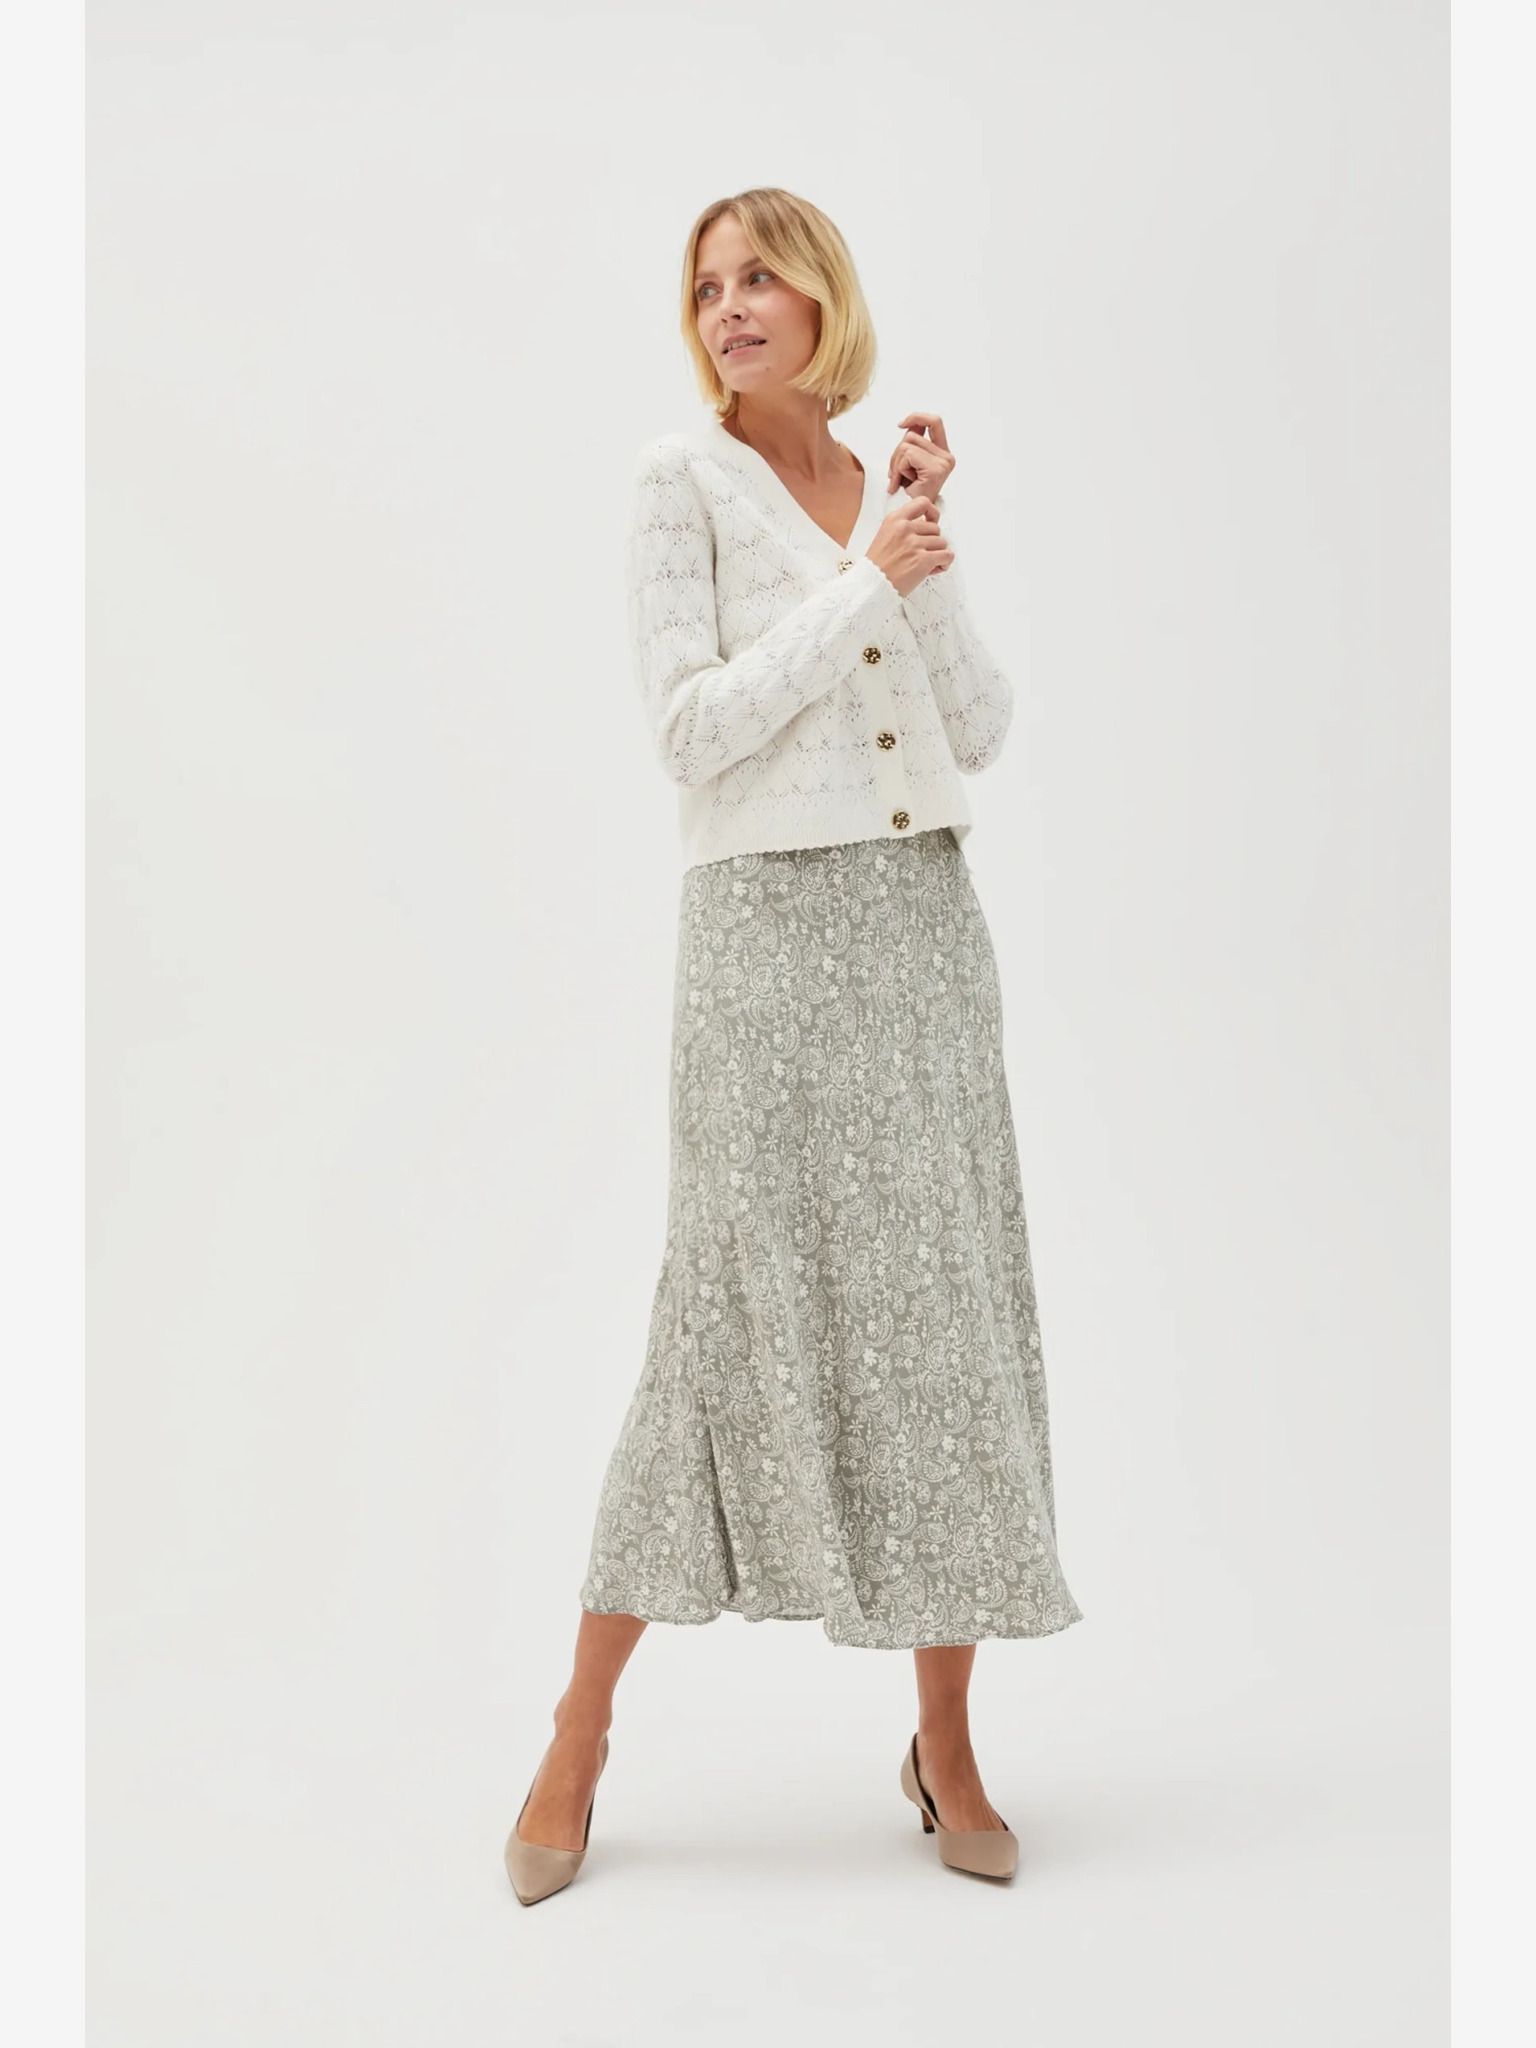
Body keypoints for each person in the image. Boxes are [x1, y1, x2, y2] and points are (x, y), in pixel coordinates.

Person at [505, 186, 1083, 1906]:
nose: (733, 307)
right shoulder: (677, 484)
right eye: (709, 288)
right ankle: (580, 1727)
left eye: (762, 277)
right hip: (763, 938)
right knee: (720, 1312)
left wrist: (914, 538)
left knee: (942, 1320)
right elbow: (692, 731)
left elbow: (978, 723)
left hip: (918, 931)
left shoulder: (876, 493)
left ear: (827, 297)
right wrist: (860, 584)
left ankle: (945, 1743)